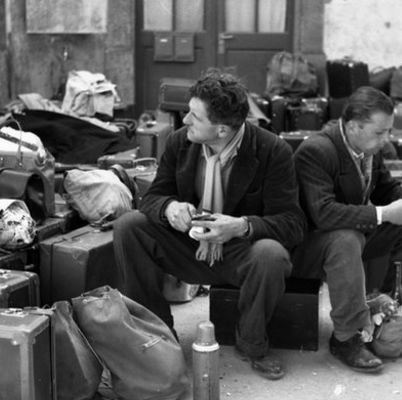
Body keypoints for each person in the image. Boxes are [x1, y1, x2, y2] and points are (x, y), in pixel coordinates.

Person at [113, 70, 305, 380]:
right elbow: (152, 198)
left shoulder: (272, 151)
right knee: (129, 226)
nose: (185, 120)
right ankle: (159, 334)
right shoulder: (179, 142)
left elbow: (292, 224)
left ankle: (252, 343)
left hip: (240, 252)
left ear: (222, 130)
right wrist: (169, 207)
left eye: (194, 116)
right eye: (188, 110)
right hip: (188, 246)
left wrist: (241, 225)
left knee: (271, 254)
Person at [290, 86, 402, 373]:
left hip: (349, 238)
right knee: (347, 238)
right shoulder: (316, 151)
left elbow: (385, 188)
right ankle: (346, 337)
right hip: (307, 249)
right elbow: (323, 214)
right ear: (353, 126)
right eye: (381, 132)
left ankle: (398, 305)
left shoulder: (367, 147)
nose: (387, 139)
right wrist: (384, 214)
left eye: (388, 131)